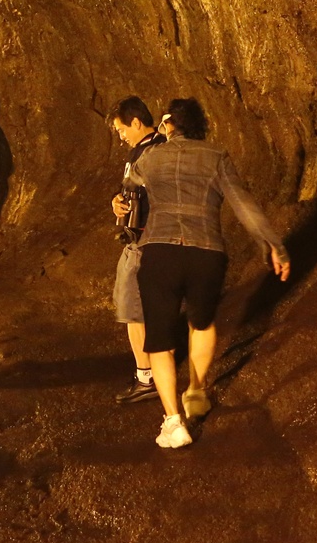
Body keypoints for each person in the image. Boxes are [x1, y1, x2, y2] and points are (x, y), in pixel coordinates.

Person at [117, 98, 290, 449]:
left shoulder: (151, 158)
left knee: (161, 342)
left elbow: (131, 181)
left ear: (169, 125)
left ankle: (173, 422)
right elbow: (244, 205)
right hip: (206, 252)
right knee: (201, 324)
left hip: (160, 251)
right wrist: (272, 244)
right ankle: (196, 390)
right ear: (202, 125)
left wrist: (119, 202)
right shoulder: (217, 157)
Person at [107, 97, 166, 404]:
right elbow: (131, 191)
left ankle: (147, 377)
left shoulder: (156, 151)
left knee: (134, 310)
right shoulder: (141, 150)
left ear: (135, 122)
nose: (121, 136)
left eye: (121, 129)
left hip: (146, 240)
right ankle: (153, 372)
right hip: (137, 238)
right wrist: (117, 203)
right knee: (137, 308)